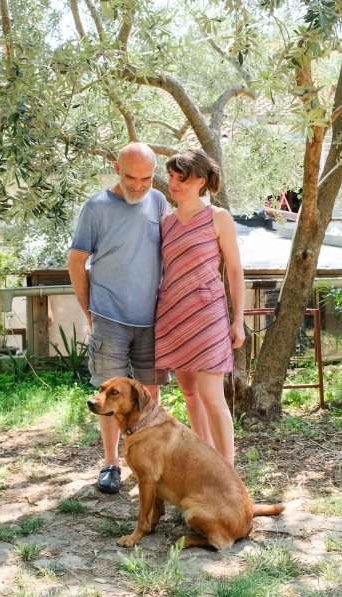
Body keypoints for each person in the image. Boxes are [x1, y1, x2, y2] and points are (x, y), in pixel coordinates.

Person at [67, 142, 169, 494]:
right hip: (109, 315)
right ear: (116, 168)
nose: (138, 186)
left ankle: (150, 460)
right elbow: (75, 262)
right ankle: (111, 464)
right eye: (130, 177)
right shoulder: (96, 208)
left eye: (146, 178)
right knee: (109, 396)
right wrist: (89, 311)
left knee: (150, 393)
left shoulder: (158, 201)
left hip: (152, 318)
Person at [155, 149, 245, 466]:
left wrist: (239, 321)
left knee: (211, 396)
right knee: (191, 396)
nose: (173, 183)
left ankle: (228, 474)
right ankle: (206, 465)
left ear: (201, 182)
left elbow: (234, 270)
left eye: (182, 178)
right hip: (173, 315)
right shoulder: (165, 221)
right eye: (171, 177)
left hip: (209, 316)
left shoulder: (218, 218)